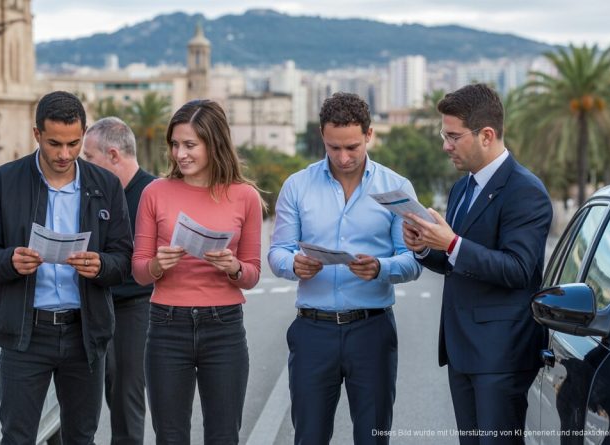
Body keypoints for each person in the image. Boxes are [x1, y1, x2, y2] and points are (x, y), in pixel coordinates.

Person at [0, 91, 133, 445]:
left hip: (84, 335)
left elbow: (124, 260)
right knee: (17, 437)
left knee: (81, 437)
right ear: (36, 134)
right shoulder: (3, 181)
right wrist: (10, 260)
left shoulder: (105, 186)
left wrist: (101, 265)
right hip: (25, 336)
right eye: (55, 143)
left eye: (74, 144)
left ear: (84, 134)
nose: (64, 154)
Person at [402, 83, 553, 445]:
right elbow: (458, 261)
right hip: (462, 350)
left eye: (453, 136)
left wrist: (451, 242)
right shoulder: (462, 187)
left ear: (486, 135)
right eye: (444, 135)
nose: (445, 146)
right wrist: (425, 248)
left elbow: (517, 269)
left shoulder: (525, 191)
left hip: (501, 355)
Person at [268, 92, 422, 445]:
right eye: (333, 147)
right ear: (322, 136)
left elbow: (413, 260)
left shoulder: (396, 187)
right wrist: (294, 264)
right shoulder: (296, 186)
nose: (343, 157)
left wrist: (380, 268)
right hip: (312, 331)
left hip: (372, 330)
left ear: (369, 135)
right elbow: (278, 251)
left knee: (373, 437)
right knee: (309, 436)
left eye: (352, 146)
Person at [132, 99, 264, 445]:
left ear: (214, 143)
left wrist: (233, 268)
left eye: (190, 145)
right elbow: (139, 272)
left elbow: (252, 273)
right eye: (175, 145)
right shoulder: (154, 193)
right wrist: (159, 265)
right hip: (166, 326)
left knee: (223, 436)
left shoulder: (244, 197)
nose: (180, 154)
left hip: (224, 328)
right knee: (170, 436)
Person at [82, 116, 156, 445]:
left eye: (88, 157)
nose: (82, 165)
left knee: (125, 396)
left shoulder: (153, 195)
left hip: (134, 308)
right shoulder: (95, 193)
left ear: (113, 156)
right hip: (91, 303)